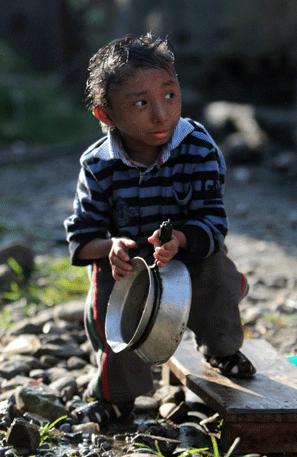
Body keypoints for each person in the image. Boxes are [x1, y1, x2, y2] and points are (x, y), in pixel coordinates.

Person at [64, 33, 256, 425]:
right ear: (106, 115)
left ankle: (221, 347)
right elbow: (81, 238)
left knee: (217, 268)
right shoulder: (98, 165)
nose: (161, 115)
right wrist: (110, 247)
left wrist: (182, 240)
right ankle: (117, 396)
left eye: (170, 96)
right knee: (108, 300)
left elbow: (214, 221)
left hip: (188, 252)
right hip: (127, 266)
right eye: (140, 103)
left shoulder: (198, 147)